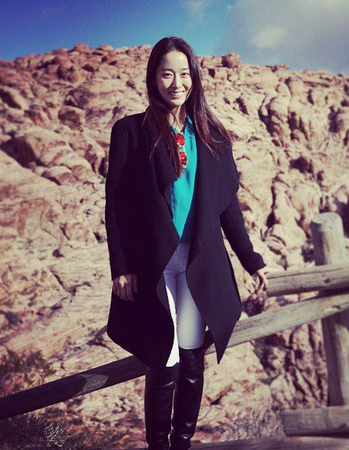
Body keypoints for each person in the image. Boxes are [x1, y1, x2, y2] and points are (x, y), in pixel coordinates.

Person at [104, 36, 269, 449]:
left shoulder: (212, 135)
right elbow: (117, 205)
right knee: (165, 359)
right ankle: (158, 445)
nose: (176, 83)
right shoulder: (130, 131)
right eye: (166, 74)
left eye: (183, 74)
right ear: (153, 78)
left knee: (192, 357)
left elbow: (227, 207)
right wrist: (121, 267)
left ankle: (182, 443)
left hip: (198, 262)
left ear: (194, 76)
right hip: (156, 265)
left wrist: (251, 260)